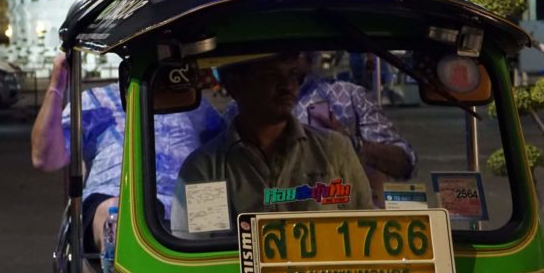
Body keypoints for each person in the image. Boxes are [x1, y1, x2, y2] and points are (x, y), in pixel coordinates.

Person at [32, 53, 225, 253]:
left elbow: (225, 153)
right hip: (116, 194)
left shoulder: (195, 105)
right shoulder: (95, 101)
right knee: (119, 216)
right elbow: (45, 159)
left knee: (220, 211)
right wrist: (57, 85)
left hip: (186, 198)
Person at [171, 52, 372, 237]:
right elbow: (201, 256)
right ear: (235, 86)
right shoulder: (207, 169)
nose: (288, 86)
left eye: (292, 74)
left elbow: (366, 230)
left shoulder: (334, 150)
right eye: (270, 75)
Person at [295, 52, 416, 207]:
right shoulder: (256, 106)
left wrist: (352, 145)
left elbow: (404, 163)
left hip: (349, 218)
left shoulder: (347, 95)